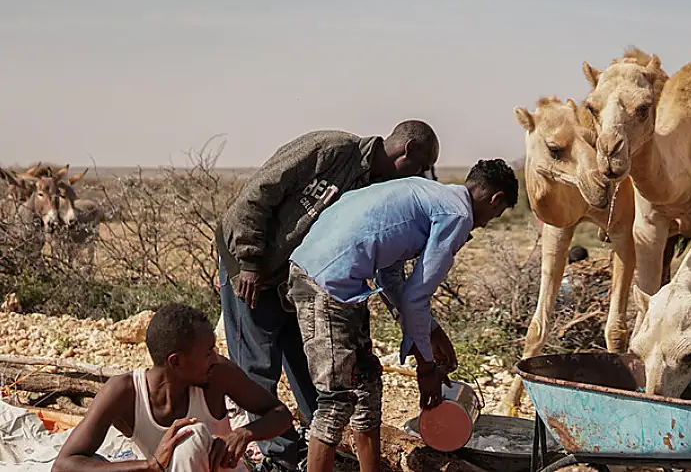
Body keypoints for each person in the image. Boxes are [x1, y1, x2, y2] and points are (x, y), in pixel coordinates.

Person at [215, 121, 440, 471]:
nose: (419, 176)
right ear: (407, 149)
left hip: (298, 278)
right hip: (253, 268)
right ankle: (279, 456)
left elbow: (381, 270)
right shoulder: (332, 149)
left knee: (309, 363)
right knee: (258, 366)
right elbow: (261, 191)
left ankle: (315, 447)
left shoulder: (372, 188)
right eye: (421, 166)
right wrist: (249, 260)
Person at [287, 159, 519, 472]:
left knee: (367, 389)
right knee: (337, 400)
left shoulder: (429, 194)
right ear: (496, 199)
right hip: (326, 284)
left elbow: (388, 278)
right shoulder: (458, 214)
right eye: (496, 215)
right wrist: (426, 369)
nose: (487, 223)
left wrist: (431, 333)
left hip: (337, 280)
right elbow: (416, 296)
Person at [52, 304, 294, 472]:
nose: (215, 357)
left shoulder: (218, 374)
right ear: (175, 361)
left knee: (191, 436)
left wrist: (243, 434)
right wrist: (150, 466)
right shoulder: (125, 392)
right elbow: (64, 464)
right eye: (207, 352)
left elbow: (281, 414)